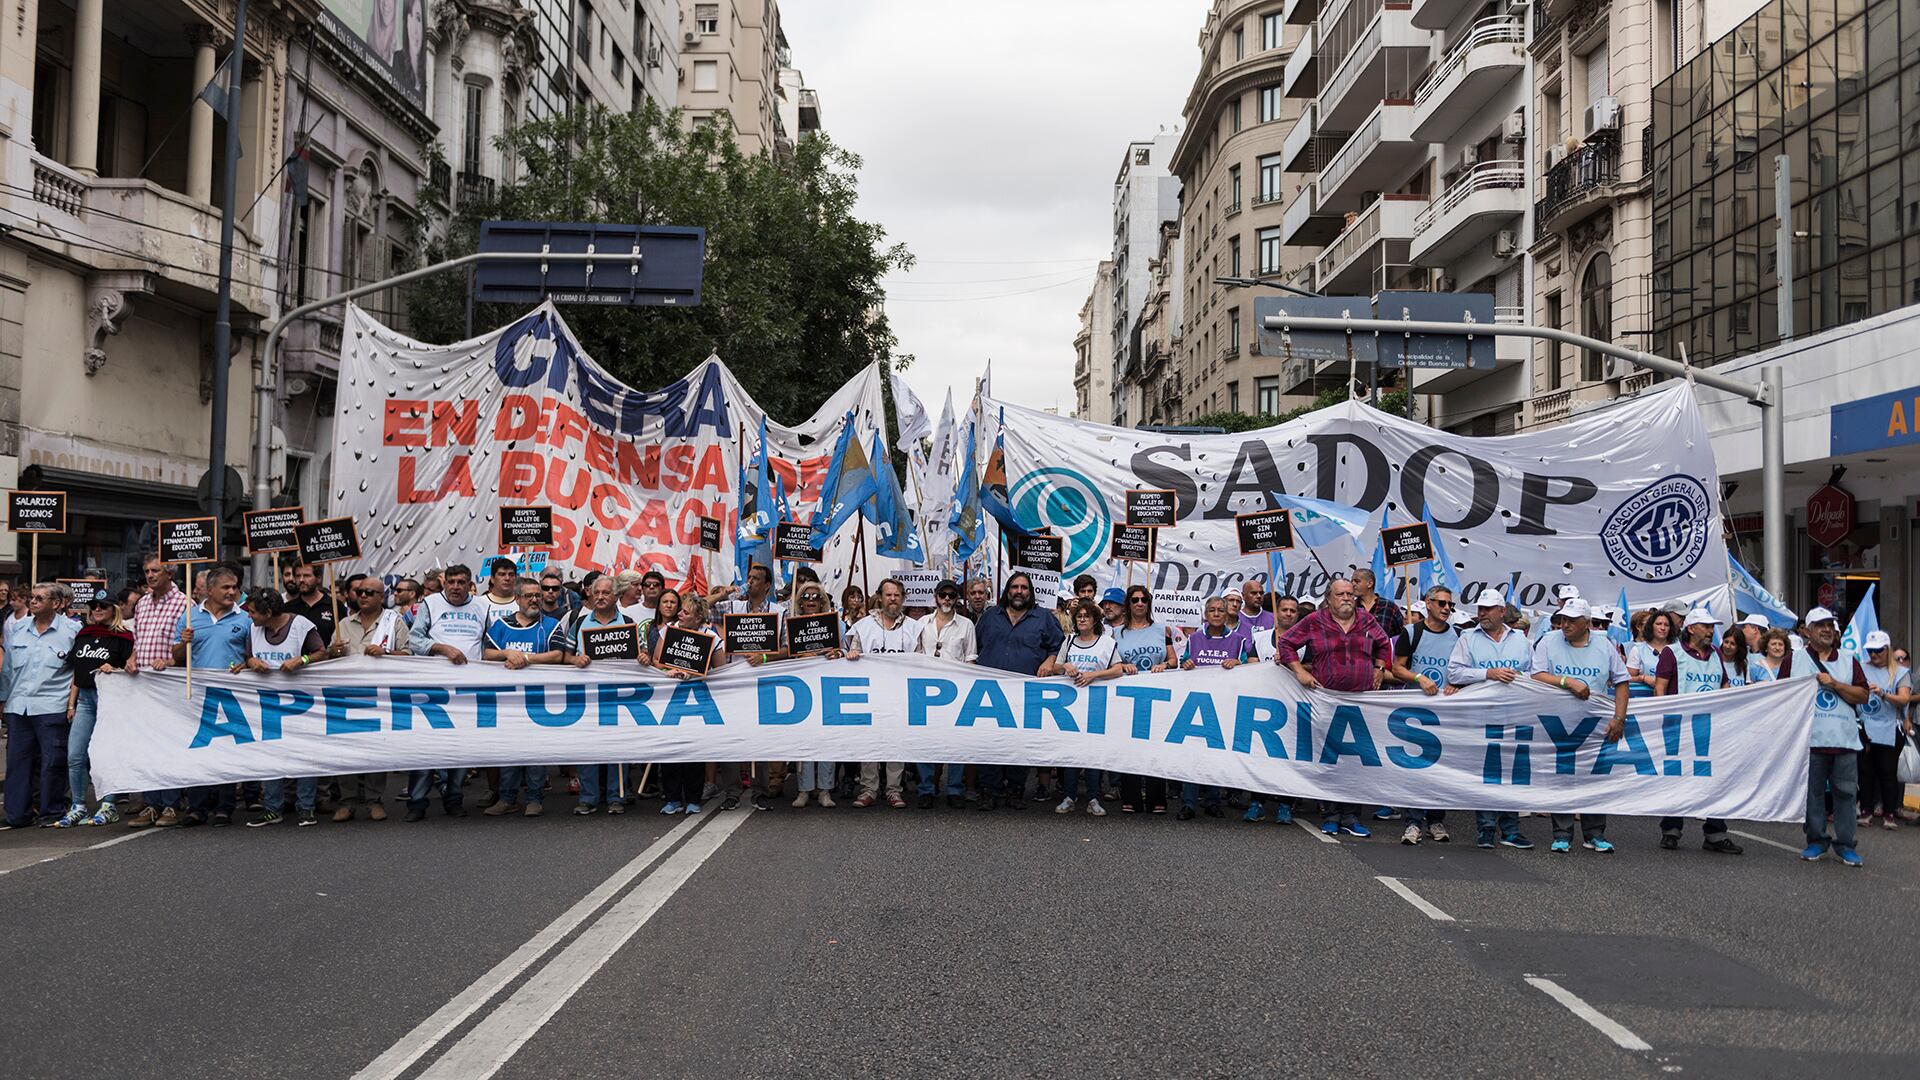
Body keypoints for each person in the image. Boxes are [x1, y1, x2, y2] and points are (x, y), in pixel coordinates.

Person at [1276, 578, 1393, 837]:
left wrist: (1379, 667)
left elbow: (1385, 644)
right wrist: (1299, 671)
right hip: (1326, 700)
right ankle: (1330, 815)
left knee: (1355, 760)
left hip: (1360, 701)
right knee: (1330, 758)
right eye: (1341, 594)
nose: (1347, 598)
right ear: (1329, 598)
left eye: (1350, 594)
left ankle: (1351, 816)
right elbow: (1286, 643)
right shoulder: (1314, 621)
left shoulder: (1366, 620)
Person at [1528, 598, 1628, 854]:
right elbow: (1536, 675)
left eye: (1572, 620)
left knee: (1594, 778)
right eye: (1563, 619)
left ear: (1587, 623)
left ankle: (1595, 834)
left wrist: (1619, 718)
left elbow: (1621, 681)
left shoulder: (1604, 645)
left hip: (1595, 724)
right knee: (1562, 776)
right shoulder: (1549, 641)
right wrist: (1567, 682)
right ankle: (1562, 834)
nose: (1565, 624)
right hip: (1558, 722)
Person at [1649, 607, 1744, 855]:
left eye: (1712, 627)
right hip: (1679, 726)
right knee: (1677, 778)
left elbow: (1723, 684)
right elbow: (1660, 689)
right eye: (1706, 626)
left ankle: (1715, 833)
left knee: (1714, 779)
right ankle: (1671, 829)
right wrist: (1664, 722)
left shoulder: (1716, 654)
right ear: (1691, 628)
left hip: (1710, 727)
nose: (1711, 631)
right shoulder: (1672, 653)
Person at [1447, 589, 1535, 849]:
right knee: (1487, 774)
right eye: (1480, 608)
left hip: (1515, 715)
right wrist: (1489, 674)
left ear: (1502, 612)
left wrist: (1520, 678)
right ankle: (1485, 829)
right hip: (1482, 716)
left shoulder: (1521, 640)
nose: (1482, 613)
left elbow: (1536, 673)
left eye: (1487, 609)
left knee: (1512, 774)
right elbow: (1454, 673)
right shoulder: (1467, 638)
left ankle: (1511, 830)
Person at [973, 572, 1064, 810]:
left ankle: (1015, 790)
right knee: (989, 742)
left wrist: (1049, 661)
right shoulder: (990, 616)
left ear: (1030, 592)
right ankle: (988, 791)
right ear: (1008, 590)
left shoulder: (1043, 618)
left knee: (1019, 742)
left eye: (1024, 587)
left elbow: (1058, 646)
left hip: (1025, 692)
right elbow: (977, 646)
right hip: (990, 691)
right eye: (1015, 587)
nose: (1019, 591)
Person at [402, 564, 485, 822]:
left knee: (460, 748)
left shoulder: (482, 606)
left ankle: (454, 798)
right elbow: (415, 640)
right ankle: (417, 802)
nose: (456, 587)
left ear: (470, 585)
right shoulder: (431, 604)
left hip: (468, 691)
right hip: (432, 690)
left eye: (461, 582)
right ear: (444, 583)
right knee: (427, 747)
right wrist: (442, 648)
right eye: (451, 582)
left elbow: (487, 643)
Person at [237, 589, 327, 827]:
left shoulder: (300, 625)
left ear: (268, 612)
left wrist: (302, 660)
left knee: (304, 754)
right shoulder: (254, 629)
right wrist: (252, 662)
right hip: (268, 703)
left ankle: (306, 807)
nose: (249, 616)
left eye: (253, 612)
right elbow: (248, 656)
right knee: (270, 754)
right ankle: (272, 808)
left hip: (301, 703)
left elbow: (322, 652)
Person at [557, 575, 645, 815]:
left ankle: (617, 797)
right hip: (587, 697)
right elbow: (564, 657)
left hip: (619, 697)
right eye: (596, 593)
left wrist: (642, 657)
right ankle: (588, 798)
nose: (600, 597)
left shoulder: (628, 623)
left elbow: (642, 654)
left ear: (616, 596)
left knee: (618, 748)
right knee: (588, 748)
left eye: (606, 593)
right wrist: (575, 660)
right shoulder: (580, 623)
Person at [171, 567, 251, 827]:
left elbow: (252, 656)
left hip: (233, 695)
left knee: (228, 750)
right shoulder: (190, 617)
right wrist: (184, 643)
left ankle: (224, 808)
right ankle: (197, 807)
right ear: (210, 589)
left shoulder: (245, 619)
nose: (232, 592)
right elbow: (177, 657)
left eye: (234, 587)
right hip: (198, 695)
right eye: (226, 587)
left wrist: (246, 665)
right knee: (199, 749)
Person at [1791, 607, 1871, 866]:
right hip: (1809, 742)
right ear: (1807, 631)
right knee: (1813, 794)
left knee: (1846, 794)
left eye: (1830, 625)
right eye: (1820, 625)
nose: (1827, 629)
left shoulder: (1848, 659)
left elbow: (1863, 696)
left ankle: (1846, 844)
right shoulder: (1794, 660)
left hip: (1844, 740)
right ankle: (1816, 841)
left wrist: (1835, 684)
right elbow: (1781, 697)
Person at [482, 577, 564, 819]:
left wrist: (526, 659)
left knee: (535, 751)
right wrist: (507, 653)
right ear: (517, 599)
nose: (535, 600)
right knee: (509, 751)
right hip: (508, 701)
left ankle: (534, 799)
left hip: (539, 700)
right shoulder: (502, 624)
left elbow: (557, 655)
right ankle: (507, 799)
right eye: (529, 596)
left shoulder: (550, 625)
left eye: (538, 595)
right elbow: (487, 653)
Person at [53, 596, 137, 827]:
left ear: (114, 609)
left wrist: (116, 668)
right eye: (93, 606)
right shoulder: (84, 634)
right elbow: (77, 672)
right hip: (85, 700)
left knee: (107, 753)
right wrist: (71, 704)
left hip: (111, 700)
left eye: (103, 606)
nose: (97, 609)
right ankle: (78, 805)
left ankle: (109, 805)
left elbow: (132, 668)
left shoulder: (124, 636)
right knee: (75, 755)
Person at [326, 577, 405, 821]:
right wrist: (333, 652)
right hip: (346, 696)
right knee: (345, 749)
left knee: (376, 748)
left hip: (379, 696)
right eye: (360, 591)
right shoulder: (343, 624)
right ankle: (347, 801)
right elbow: (329, 656)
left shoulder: (394, 622)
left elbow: (409, 656)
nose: (363, 596)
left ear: (381, 597)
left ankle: (374, 800)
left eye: (369, 592)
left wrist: (386, 652)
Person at [2, 583, 79, 828]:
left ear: (56, 604)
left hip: (52, 705)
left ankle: (51, 811)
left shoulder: (72, 630)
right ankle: (17, 814)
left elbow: (77, 671)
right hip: (18, 705)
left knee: (52, 762)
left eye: (39, 598)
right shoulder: (19, 627)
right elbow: (8, 669)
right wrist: (3, 699)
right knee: (17, 763)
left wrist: (71, 704)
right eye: (32, 598)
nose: (33, 602)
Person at [124, 554, 192, 828]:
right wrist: (132, 658)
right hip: (143, 685)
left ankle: (171, 804)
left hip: (168, 685)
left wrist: (172, 660)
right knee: (146, 744)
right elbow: (139, 640)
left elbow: (189, 646)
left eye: (155, 571)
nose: (150, 575)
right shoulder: (142, 603)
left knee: (168, 745)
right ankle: (152, 803)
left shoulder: (184, 603)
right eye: (147, 571)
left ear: (170, 574)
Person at [845, 578, 921, 809]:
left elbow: (921, 661)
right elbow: (853, 650)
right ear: (880, 597)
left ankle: (893, 790)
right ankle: (869, 789)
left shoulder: (914, 628)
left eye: (897, 595)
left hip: (900, 697)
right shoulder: (863, 626)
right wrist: (852, 654)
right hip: (870, 695)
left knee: (896, 743)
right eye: (888, 595)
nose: (893, 599)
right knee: (870, 743)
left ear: (903, 598)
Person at [1042, 598, 1122, 816]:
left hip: (1097, 704)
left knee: (1093, 753)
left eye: (1087, 616)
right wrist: (1065, 666)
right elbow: (1056, 667)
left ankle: (1093, 798)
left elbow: (1117, 669)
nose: (1083, 619)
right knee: (1072, 753)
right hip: (1070, 706)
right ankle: (1069, 796)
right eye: (1079, 616)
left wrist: (1093, 675)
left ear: (1095, 620)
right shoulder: (1068, 641)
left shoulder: (1106, 643)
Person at [1392, 585, 1459, 844]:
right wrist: (1419, 678)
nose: (1446, 608)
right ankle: (1413, 822)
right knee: (1416, 767)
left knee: (1441, 768)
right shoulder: (1412, 632)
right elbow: (1397, 668)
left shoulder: (1459, 635)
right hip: (1416, 712)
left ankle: (1435, 819)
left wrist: (1458, 684)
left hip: (1445, 712)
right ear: (1428, 603)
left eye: (1450, 604)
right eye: (1441, 603)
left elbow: (1462, 669)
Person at [652, 591, 724, 814]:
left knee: (694, 749)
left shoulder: (710, 637)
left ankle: (693, 799)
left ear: (698, 617)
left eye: (685, 612)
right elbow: (656, 660)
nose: (680, 614)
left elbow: (721, 670)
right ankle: (672, 798)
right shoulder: (669, 630)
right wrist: (669, 669)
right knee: (671, 747)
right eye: (681, 611)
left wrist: (697, 673)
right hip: (671, 699)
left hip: (699, 699)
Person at [1113, 584, 1176, 814]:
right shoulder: (1116, 633)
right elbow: (1111, 662)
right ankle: (1130, 797)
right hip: (1127, 697)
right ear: (1128, 604)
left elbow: (1174, 660)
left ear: (1149, 603)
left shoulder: (1161, 630)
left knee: (1155, 747)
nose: (1139, 603)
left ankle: (1157, 798)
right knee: (1128, 747)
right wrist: (1122, 665)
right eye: (1135, 600)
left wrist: (1164, 665)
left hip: (1156, 696)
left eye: (1143, 600)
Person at [915, 578, 975, 808]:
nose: (947, 599)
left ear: (957, 598)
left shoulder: (966, 625)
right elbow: (915, 654)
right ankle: (926, 789)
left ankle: (954, 789)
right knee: (926, 742)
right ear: (936, 597)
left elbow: (971, 658)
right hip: (925, 690)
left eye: (951, 595)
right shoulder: (922, 623)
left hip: (956, 691)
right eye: (943, 595)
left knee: (956, 742)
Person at [787, 582, 844, 809]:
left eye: (816, 597)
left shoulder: (835, 623)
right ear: (800, 602)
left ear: (823, 601)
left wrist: (836, 653)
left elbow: (846, 649)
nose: (811, 601)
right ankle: (804, 789)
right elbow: (784, 653)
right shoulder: (792, 624)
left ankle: (825, 790)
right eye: (806, 597)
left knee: (827, 740)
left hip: (828, 689)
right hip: (802, 689)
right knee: (804, 740)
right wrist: (797, 656)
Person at [1857, 630, 1911, 829]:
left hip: (1889, 728)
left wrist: (1883, 694)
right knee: (1865, 771)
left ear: (1887, 650)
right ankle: (1866, 810)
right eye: (1870, 651)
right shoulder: (1860, 668)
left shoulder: (1900, 672)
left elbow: (1904, 699)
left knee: (1887, 771)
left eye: (1878, 650)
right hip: (1865, 726)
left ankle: (1889, 812)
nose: (1873, 655)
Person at [283, 562, 337, 645]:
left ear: (318, 578)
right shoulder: (287, 609)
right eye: (298, 576)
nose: (301, 580)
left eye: (306, 576)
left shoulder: (335, 606)